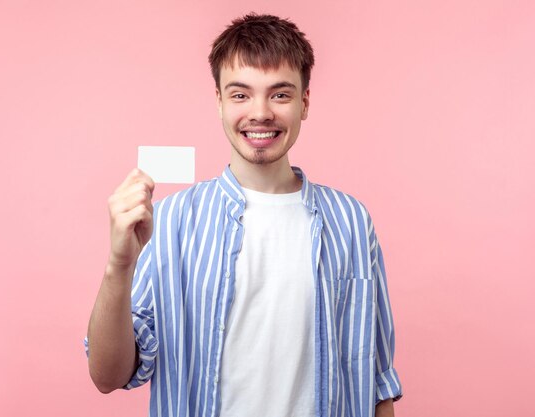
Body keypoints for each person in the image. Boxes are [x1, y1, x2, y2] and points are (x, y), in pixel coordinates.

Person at [85, 13, 402, 417]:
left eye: (280, 94)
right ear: (218, 102)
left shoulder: (352, 222)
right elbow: (108, 375)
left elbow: (377, 383)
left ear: (304, 103)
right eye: (240, 95)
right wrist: (118, 265)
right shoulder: (170, 222)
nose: (261, 112)